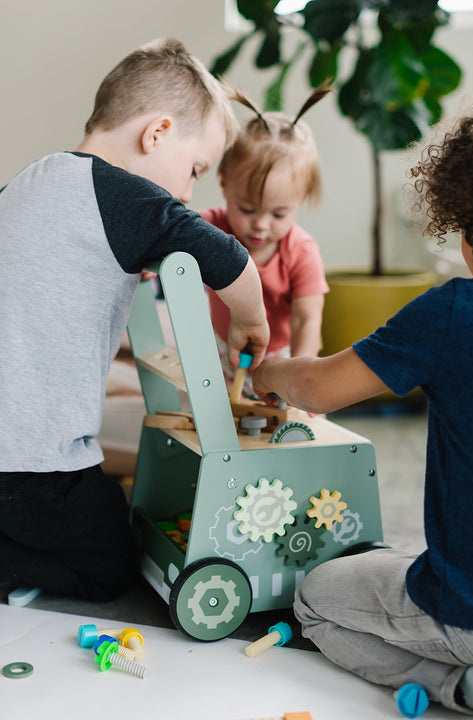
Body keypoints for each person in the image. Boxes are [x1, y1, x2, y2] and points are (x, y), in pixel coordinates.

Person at [0, 38, 269, 603]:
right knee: (110, 565)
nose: (188, 191)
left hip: (14, 458)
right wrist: (251, 319)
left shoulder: (28, 181)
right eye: (194, 169)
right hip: (34, 464)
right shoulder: (128, 198)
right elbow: (229, 260)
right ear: (156, 133)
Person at [252, 108, 473, 714]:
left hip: (470, 616)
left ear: (467, 232)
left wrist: (269, 369)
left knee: (316, 598)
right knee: (394, 558)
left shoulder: (454, 312)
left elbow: (321, 390)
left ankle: (457, 686)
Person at [202, 82, 330, 397]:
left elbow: (306, 321)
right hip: (219, 351)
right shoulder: (210, 227)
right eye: (247, 209)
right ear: (224, 184)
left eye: (279, 214)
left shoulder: (301, 252)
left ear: (301, 199)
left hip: (279, 360)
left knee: (283, 424)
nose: (260, 225)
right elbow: (169, 233)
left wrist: (301, 381)